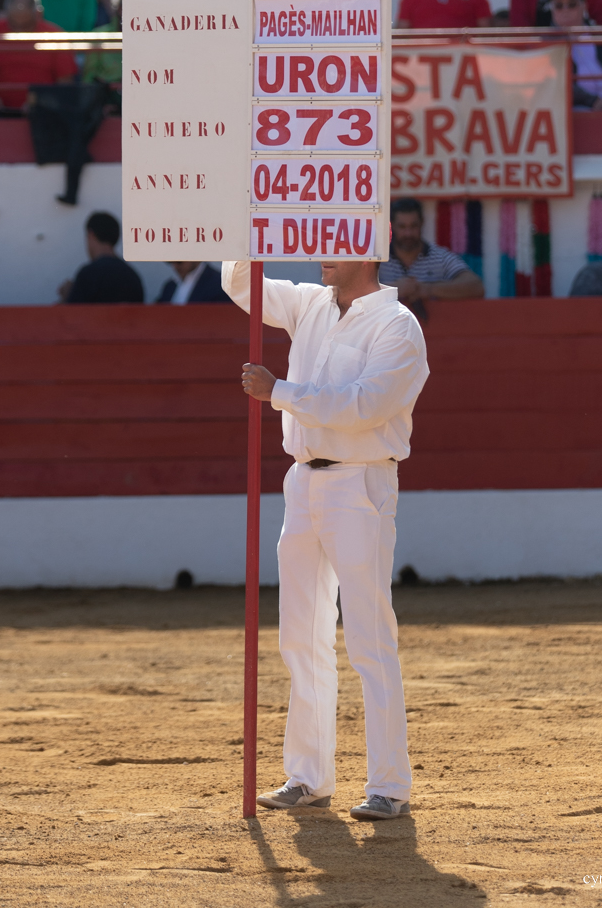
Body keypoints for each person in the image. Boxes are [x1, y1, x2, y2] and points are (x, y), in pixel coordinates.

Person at [222, 256, 428, 822]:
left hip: (360, 480)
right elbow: (242, 283)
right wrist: (245, 227)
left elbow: (365, 407)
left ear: (365, 254)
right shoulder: (313, 303)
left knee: (368, 635)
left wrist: (280, 392)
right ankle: (308, 776)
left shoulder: (396, 326)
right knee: (300, 634)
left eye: (333, 244)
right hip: (303, 481)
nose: (319, 254)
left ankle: (389, 784)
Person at [0, 0, 77, 112]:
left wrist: (43, 102)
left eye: (25, 24)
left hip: (44, 115)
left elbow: (65, 83)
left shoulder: (54, 35)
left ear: (39, 13)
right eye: (14, 23)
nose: (20, 32)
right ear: (5, 13)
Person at [379, 198, 483, 311]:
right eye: (402, 227)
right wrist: (395, 289)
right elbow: (358, 295)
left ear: (422, 224)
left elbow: (476, 287)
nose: (408, 233)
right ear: (392, 226)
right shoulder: (378, 258)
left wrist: (428, 289)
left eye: (413, 226)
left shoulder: (439, 257)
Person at [59, 211, 144, 303]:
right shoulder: (132, 276)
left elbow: (71, 313)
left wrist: (67, 296)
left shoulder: (88, 274)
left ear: (91, 234)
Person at [156, 262, 232, 304]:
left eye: (179, 262)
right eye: (170, 262)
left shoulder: (219, 284)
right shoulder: (170, 286)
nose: (174, 266)